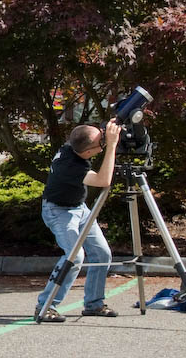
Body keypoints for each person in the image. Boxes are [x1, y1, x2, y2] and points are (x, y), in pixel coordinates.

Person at [34, 119, 121, 322]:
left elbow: (89, 135)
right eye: (102, 143)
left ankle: (94, 304)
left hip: (79, 209)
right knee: (74, 256)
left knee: (102, 253)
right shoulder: (70, 166)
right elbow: (103, 181)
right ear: (89, 152)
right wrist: (113, 146)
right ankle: (45, 306)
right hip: (58, 211)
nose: (105, 142)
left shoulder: (74, 143)